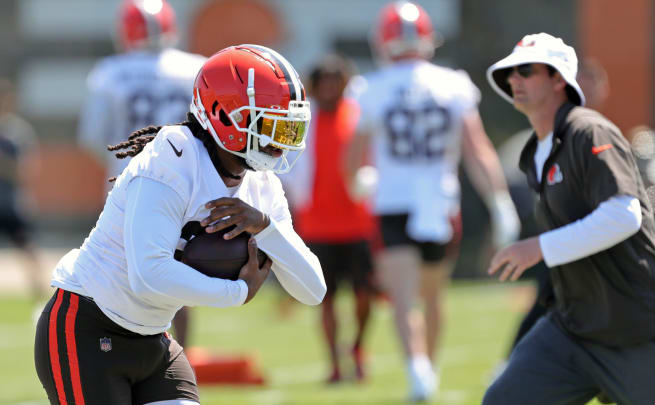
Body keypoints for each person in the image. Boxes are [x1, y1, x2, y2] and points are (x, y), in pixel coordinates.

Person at [34, 44, 326, 405]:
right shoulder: (172, 158)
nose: (282, 143)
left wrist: (266, 226)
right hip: (88, 327)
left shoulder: (262, 187)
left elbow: (314, 290)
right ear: (225, 114)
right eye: (271, 125)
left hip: (154, 339)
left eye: (289, 129)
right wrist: (237, 294)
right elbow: (149, 273)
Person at [483, 33, 655, 405]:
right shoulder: (536, 150)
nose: (513, 80)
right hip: (574, 330)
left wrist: (539, 248)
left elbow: (624, 214)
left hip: (640, 331)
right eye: (509, 74)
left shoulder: (589, 131)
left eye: (525, 70)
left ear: (558, 79)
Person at [344, 2, 520, 401]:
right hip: (440, 203)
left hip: (393, 202)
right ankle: (430, 367)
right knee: (434, 295)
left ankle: (417, 369)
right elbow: (479, 150)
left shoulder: (372, 88)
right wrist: (499, 202)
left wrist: (356, 182)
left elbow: (353, 152)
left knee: (404, 299)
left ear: (384, 41)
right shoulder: (451, 83)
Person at [77, 0, 207, 347]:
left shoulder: (109, 72)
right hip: (183, 184)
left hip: (128, 183)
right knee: (175, 268)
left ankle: (118, 348)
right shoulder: (195, 68)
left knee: (119, 270)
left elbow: (92, 137)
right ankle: (182, 353)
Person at [495, 57, 611, 359]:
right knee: (547, 298)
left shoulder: (596, 132)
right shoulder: (552, 134)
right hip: (564, 235)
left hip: (596, 238)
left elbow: (624, 209)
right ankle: (515, 360)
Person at [282, 54, 377, 384]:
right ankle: (335, 363)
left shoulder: (359, 116)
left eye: (335, 82)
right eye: (323, 82)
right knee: (326, 298)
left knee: (365, 296)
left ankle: (358, 349)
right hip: (317, 224)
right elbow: (286, 167)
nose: (329, 88)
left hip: (358, 222)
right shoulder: (300, 121)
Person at [0, 79, 44, 302]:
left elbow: (26, 171)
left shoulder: (17, 133)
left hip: (10, 203)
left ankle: (40, 298)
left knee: (28, 250)